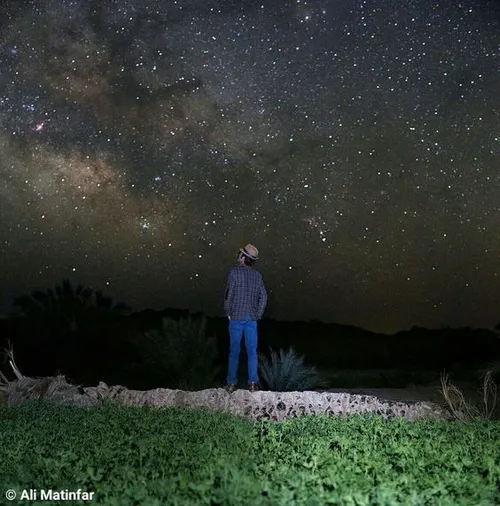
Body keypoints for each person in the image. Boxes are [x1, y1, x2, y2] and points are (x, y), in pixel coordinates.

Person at [223, 243, 267, 392]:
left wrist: (228, 312)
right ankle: (253, 383)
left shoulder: (234, 272)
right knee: (252, 351)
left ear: (243, 257)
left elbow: (229, 294)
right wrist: (258, 314)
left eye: (240, 254)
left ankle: (231, 383)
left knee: (234, 351)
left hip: (236, 316)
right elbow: (264, 296)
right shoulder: (257, 275)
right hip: (252, 318)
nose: (238, 255)